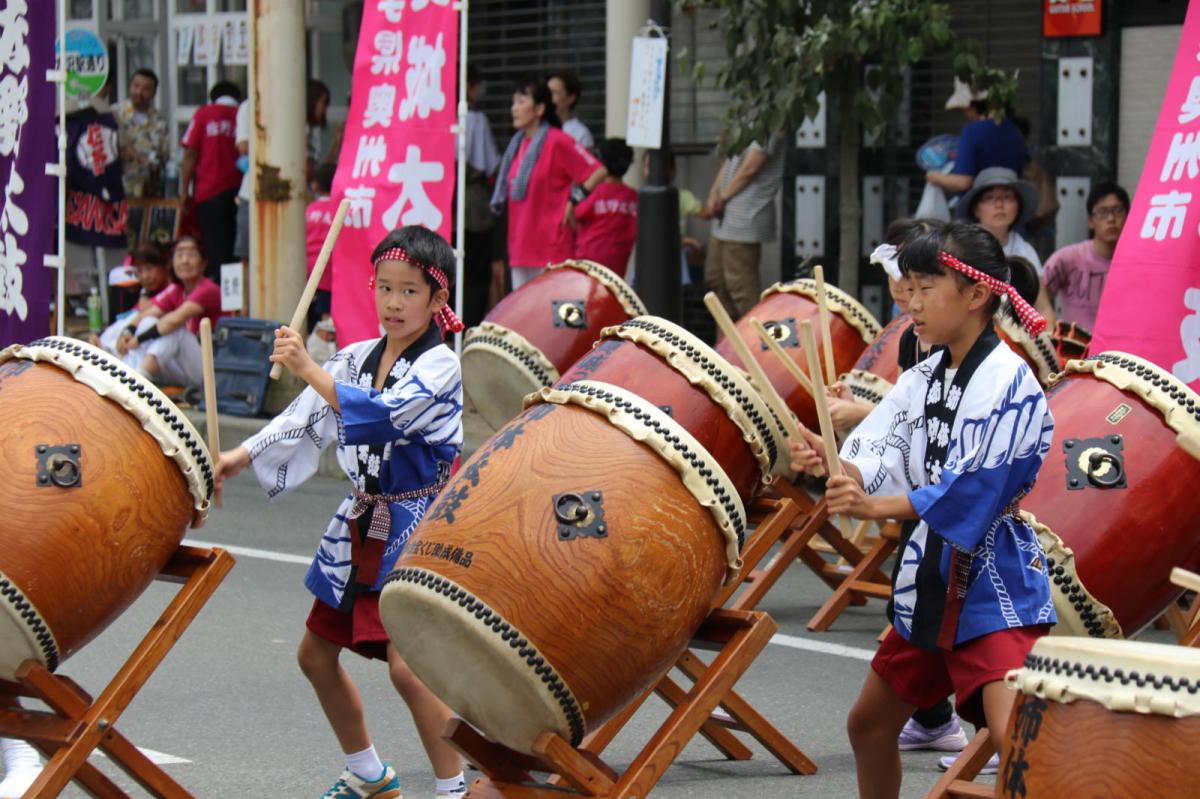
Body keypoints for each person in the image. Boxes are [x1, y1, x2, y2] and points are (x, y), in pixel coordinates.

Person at [789, 221, 1055, 799]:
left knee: (1018, 740)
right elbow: (879, 446)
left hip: (991, 583)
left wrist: (873, 502)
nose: (910, 302)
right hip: (931, 580)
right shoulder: (925, 377)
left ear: (977, 294)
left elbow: (972, 490)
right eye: (906, 287)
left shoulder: (1007, 380)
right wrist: (830, 463)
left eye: (925, 287)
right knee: (869, 724)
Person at [214, 226, 468, 799]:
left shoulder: (440, 367)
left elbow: (382, 416)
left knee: (409, 670)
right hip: (360, 521)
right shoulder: (354, 358)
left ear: (437, 299)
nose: (394, 302)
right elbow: (305, 419)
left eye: (408, 291)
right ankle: (369, 772)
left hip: (418, 524)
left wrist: (307, 365)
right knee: (314, 656)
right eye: (384, 288)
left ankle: (453, 790)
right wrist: (238, 455)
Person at [490, 77, 606, 291]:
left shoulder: (558, 140)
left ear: (540, 108)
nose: (514, 108)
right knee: (524, 318)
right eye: (513, 102)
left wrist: (574, 200)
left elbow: (598, 171)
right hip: (520, 247)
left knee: (552, 317)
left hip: (551, 247)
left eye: (521, 102)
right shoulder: (516, 145)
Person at [113, 236, 223, 388]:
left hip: (212, 372)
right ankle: (131, 375)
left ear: (203, 263)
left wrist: (138, 339)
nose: (184, 260)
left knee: (174, 330)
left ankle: (138, 382)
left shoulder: (207, 289)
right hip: (185, 368)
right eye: (179, 255)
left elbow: (175, 320)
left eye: (191, 255)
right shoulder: (177, 289)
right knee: (148, 322)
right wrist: (127, 333)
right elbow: (144, 315)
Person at [957, 167, 1055, 326]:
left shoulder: (1025, 251)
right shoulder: (961, 250)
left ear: (1018, 206)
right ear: (976, 208)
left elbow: (1043, 308)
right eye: (989, 198)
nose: (999, 204)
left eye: (1007, 197)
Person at [704, 136, 786, 317]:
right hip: (724, 217)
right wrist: (714, 191)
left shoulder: (769, 116)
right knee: (715, 280)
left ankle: (754, 341)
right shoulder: (743, 114)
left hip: (746, 217)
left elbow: (751, 167)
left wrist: (722, 197)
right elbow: (730, 158)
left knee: (741, 288)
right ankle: (726, 341)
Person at [1043, 181, 1130, 331]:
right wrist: (1049, 324)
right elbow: (1040, 292)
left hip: (1120, 349)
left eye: (1117, 210)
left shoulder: (1138, 263)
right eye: (1102, 212)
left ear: (1128, 217)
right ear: (1090, 221)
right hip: (1075, 348)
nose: (1111, 219)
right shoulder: (1069, 258)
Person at [180, 81, 243, 273]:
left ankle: (221, 297)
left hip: (209, 193)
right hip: (240, 193)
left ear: (213, 98)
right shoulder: (243, 114)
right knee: (237, 252)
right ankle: (237, 299)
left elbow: (190, 153)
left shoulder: (204, 114)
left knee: (216, 252)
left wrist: (184, 191)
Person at [925, 81, 1027, 197]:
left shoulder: (972, 131)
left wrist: (935, 176)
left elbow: (963, 182)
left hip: (980, 205)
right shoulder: (1014, 130)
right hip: (1009, 201)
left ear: (970, 106)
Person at [463, 64, 501, 328]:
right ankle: (467, 329)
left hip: (439, 203)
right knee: (475, 275)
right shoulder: (475, 119)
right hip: (472, 205)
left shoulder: (431, 116)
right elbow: (490, 163)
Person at [573, 138, 638, 277]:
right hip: (618, 268)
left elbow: (575, 213)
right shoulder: (634, 197)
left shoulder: (596, 193)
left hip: (587, 265)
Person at [94, 243, 172, 351]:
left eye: (149, 269)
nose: (145, 276)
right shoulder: (145, 292)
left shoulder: (172, 290)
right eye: (139, 271)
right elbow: (126, 319)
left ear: (164, 267)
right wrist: (99, 336)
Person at [115, 68, 168, 198]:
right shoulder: (115, 114)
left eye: (146, 89)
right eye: (136, 86)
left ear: (154, 93)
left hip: (148, 193)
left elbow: (164, 157)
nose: (139, 92)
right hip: (118, 190)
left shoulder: (160, 122)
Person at [305, 162, 338, 334]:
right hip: (329, 270)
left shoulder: (309, 210)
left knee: (304, 311)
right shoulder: (337, 209)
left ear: (315, 185)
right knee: (326, 313)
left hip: (307, 268)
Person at [547, 70, 593, 150]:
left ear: (571, 98)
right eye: (547, 93)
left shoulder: (580, 133)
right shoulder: (537, 128)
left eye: (555, 93)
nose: (548, 98)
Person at [307, 80, 332, 184]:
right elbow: (307, 171)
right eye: (323, 103)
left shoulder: (313, 130)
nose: (325, 109)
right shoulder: (302, 130)